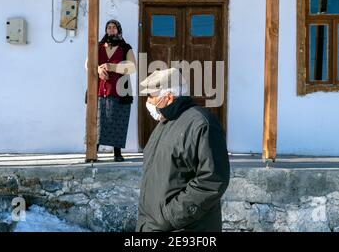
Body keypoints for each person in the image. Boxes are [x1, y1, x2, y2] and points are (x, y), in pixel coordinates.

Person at [136, 68, 230, 232]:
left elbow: (212, 180)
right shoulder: (165, 123)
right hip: (152, 225)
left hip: (183, 228)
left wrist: (172, 215)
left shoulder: (201, 124)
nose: (148, 102)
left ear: (169, 97)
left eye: (151, 97)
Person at [85, 19, 136, 162]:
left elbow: (132, 66)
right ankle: (93, 152)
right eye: (109, 27)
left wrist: (111, 66)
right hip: (98, 89)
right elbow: (88, 64)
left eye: (114, 27)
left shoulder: (126, 47)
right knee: (97, 120)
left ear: (119, 31)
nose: (111, 30)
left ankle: (117, 153)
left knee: (117, 120)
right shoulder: (98, 46)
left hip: (119, 90)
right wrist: (99, 69)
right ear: (106, 30)